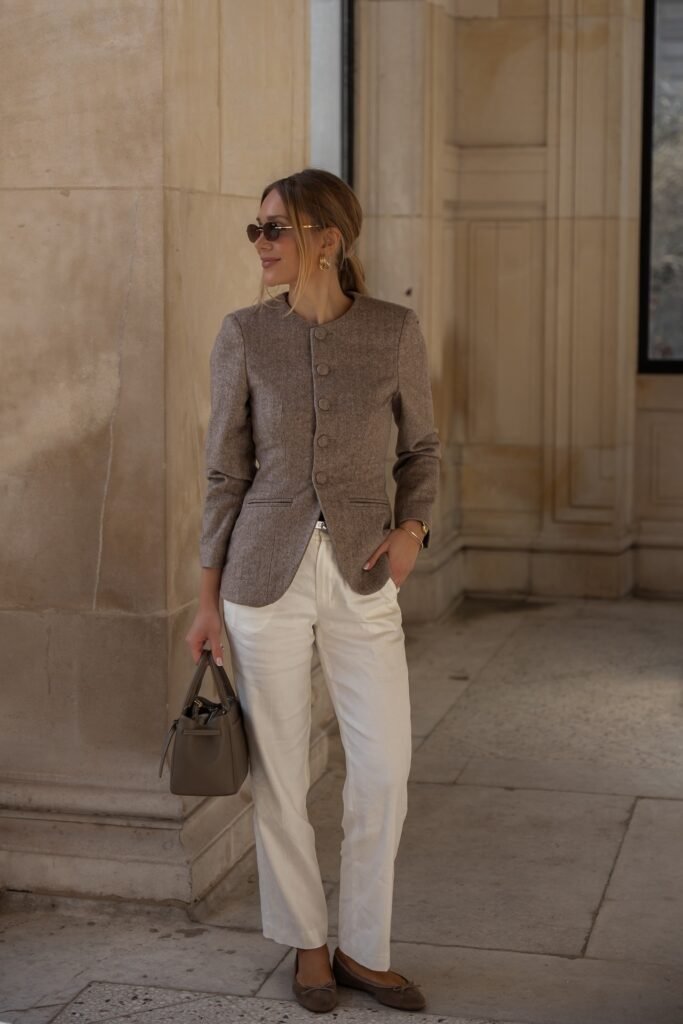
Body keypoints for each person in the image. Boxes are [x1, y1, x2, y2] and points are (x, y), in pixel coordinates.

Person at [186, 168, 440, 1014]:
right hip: (261, 580)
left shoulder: (394, 331)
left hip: (364, 578)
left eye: (275, 229)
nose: (260, 244)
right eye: (254, 230)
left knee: (382, 771)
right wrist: (204, 602)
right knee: (281, 775)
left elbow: (423, 451)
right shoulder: (244, 336)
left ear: (327, 239)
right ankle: (307, 946)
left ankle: (364, 948)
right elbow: (226, 471)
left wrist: (411, 534)